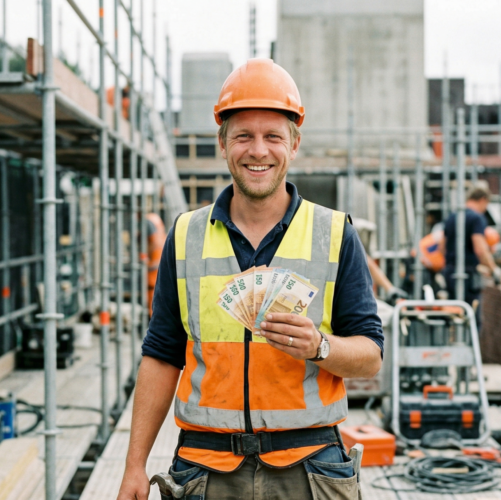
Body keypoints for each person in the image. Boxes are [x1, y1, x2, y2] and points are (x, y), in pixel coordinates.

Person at [116, 59, 383, 500]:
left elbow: (371, 355)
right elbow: (162, 355)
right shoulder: (185, 236)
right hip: (207, 468)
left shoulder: (334, 234)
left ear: (293, 145)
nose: (258, 150)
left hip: (309, 468)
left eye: (273, 136)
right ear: (223, 144)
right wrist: (133, 466)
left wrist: (321, 346)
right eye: (243, 136)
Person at [439, 187, 501, 306]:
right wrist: (494, 269)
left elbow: (442, 246)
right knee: (471, 314)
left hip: (450, 271)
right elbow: (480, 249)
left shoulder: (452, 216)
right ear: (483, 200)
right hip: (467, 275)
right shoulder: (477, 218)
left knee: (454, 312)